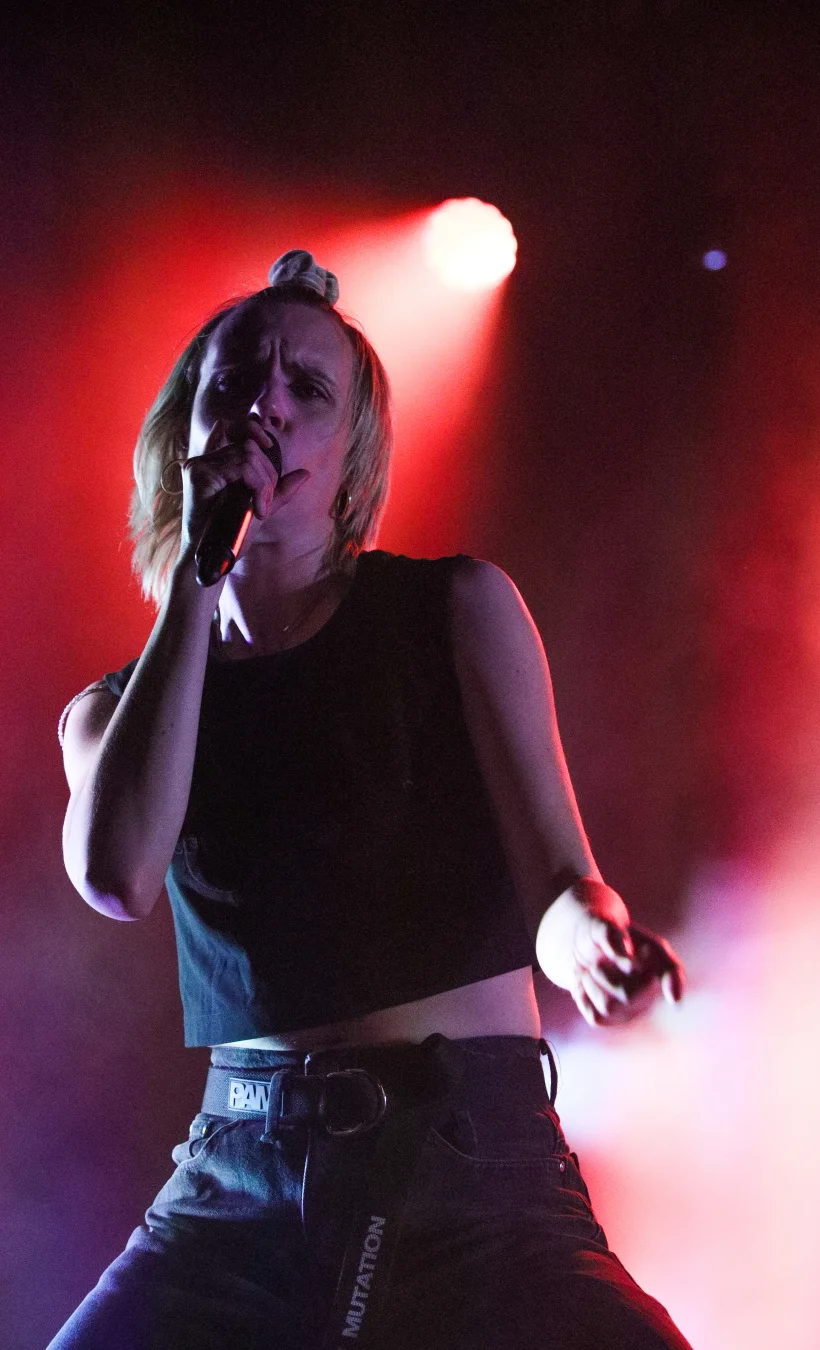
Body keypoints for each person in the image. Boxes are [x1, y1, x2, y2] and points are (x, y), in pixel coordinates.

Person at [52, 249, 692, 1349]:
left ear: (350, 456)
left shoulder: (455, 608)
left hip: (472, 1167)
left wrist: (592, 937)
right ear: (186, 429)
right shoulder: (114, 711)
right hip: (236, 1186)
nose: (266, 407)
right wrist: (197, 579)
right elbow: (117, 877)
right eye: (235, 382)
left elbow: (557, 881)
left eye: (307, 388)